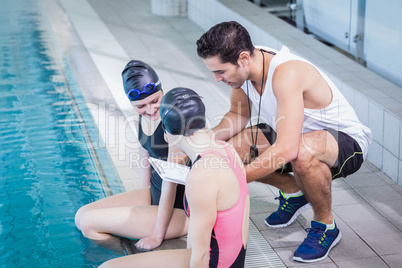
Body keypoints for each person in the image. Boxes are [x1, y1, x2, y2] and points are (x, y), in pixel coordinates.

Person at [196, 21, 372, 263]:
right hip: (293, 132)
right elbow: (237, 115)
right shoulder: (244, 71)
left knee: (299, 153)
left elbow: (288, 148)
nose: (217, 79)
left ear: (244, 58)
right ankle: (294, 191)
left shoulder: (286, 73)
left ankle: (325, 225)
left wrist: (235, 178)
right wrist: (202, 144)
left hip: (343, 141)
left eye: (221, 71)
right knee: (230, 151)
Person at [100, 87, 250, 268]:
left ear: (167, 132)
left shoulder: (201, 175)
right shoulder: (226, 149)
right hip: (234, 259)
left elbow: (200, 255)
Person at [74, 60, 189, 254]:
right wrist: (141, 200)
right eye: (141, 106)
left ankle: (132, 258)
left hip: (180, 211)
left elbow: (170, 182)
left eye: (155, 100)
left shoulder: (173, 124)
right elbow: (146, 161)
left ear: (163, 92)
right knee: (81, 215)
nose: (150, 109)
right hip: (155, 196)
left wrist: (157, 235)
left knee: (89, 224)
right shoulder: (142, 119)